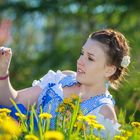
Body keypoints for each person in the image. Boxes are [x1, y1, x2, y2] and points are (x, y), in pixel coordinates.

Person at [0, 29, 130, 138]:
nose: (80, 61)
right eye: (82, 53)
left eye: (90, 58)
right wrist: (3, 71)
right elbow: (13, 102)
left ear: (109, 69)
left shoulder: (104, 112)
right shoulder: (62, 79)